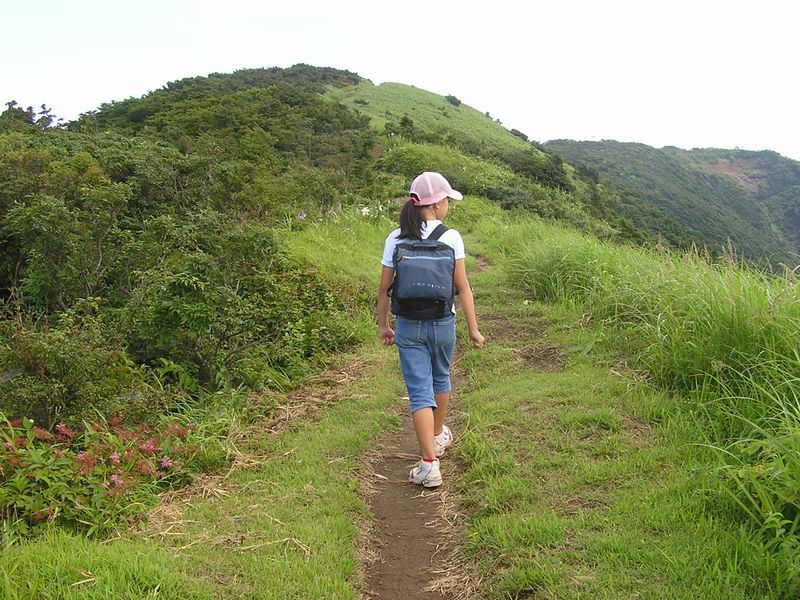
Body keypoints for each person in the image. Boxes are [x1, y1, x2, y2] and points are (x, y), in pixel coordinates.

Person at [377, 172, 485, 488]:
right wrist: (474, 330)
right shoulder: (451, 237)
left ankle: (429, 463)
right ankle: (436, 437)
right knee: (441, 378)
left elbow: (384, 289)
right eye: (447, 200)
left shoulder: (395, 237)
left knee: (419, 392)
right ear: (436, 203)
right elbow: (463, 288)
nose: (448, 205)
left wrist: (384, 325)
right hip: (443, 323)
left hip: (409, 325)